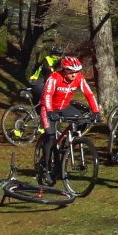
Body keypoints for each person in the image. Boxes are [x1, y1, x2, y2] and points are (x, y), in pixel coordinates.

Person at [38, 57, 101, 185]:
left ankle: (67, 143)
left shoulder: (79, 78)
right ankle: (45, 167)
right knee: (50, 136)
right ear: (64, 70)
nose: (74, 74)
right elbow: (47, 95)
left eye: (77, 71)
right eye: (71, 71)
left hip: (64, 106)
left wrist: (96, 111)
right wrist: (50, 111)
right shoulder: (54, 78)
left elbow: (89, 94)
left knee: (82, 121)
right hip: (48, 108)